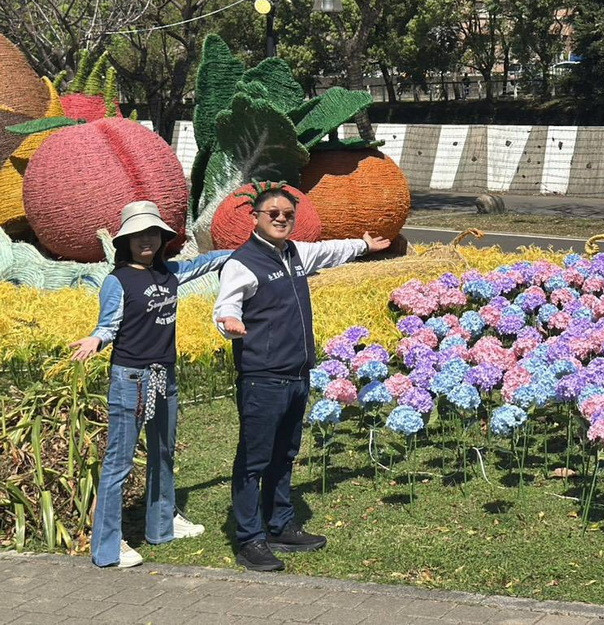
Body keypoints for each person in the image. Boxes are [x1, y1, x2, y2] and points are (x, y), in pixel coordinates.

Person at [213, 186, 390, 572]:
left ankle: (279, 526)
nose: (280, 218)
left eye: (287, 213)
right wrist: (229, 323)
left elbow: (329, 250)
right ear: (255, 217)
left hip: (297, 375)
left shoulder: (294, 253)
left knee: (285, 454)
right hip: (263, 378)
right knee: (254, 461)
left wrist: (361, 244)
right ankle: (249, 540)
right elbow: (226, 304)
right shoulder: (241, 263)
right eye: (272, 212)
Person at [71, 201, 230, 569]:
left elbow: (208, 262)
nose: (147, 240)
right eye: (139, 235)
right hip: (132, 379)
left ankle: (162, 527)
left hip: (164, 375)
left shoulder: (170, 273)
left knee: (163, 451)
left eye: (153, 233)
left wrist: (246, 250)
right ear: (125, 241)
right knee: (119, 462)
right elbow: (109, 323)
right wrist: (96, 340)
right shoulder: (118, 280)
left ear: (162, 238)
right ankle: (108, 548)